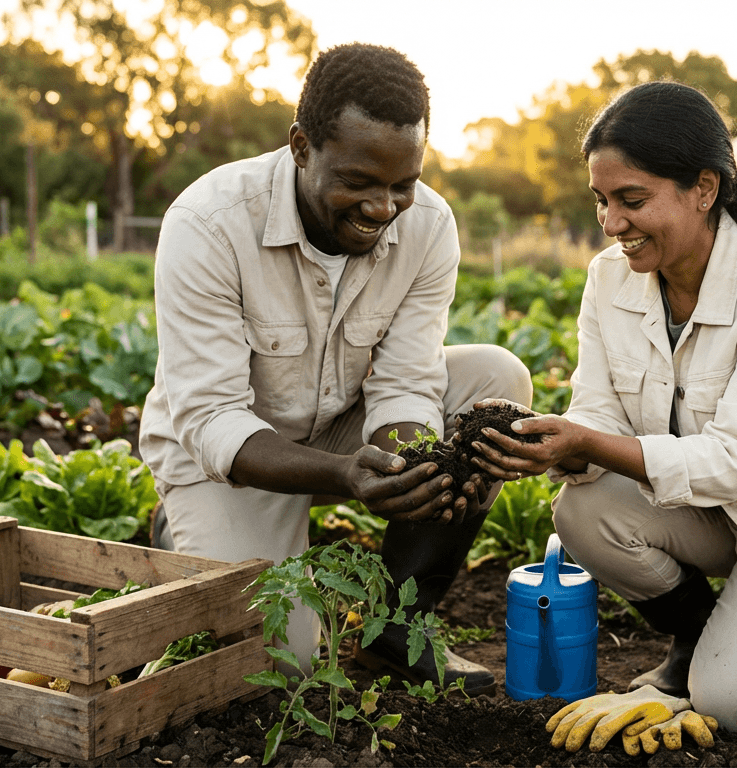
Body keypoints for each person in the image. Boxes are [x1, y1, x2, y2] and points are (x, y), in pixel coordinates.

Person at [470, 81, 737, 734]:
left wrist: (585, 445)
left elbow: (736, 461)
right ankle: (701, 641)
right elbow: (598, 413)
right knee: (585, 510)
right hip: (718, 514)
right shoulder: (609, 278)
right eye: (602, 202)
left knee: (731, 704)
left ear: (704, 189)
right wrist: (552, 446)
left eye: (632, 200)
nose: (613, 223)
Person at [138, 43, 532, 695]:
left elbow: (406, 385)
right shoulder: (209, 224)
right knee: (284, 667)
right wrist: (349, 477)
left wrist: (418, 471)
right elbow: (212, 421)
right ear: (300, 147)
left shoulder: (429, 227)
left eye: (401, 184)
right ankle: (185, 526)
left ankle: (399, 634)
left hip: (345, 434)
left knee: (495, 378)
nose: (383, 208)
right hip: (234, 462)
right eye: (358, 182)